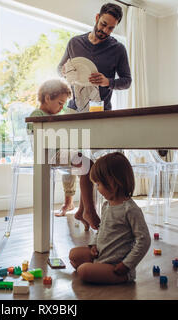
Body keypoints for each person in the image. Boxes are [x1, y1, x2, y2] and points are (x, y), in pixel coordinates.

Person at [56, 3, 132, 229]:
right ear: (97, 17)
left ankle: (87, 209)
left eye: (110, 28)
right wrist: (66, 72)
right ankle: (83, 208)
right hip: (74, 109)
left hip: (100, 111)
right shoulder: (74, 43)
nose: (105, 31)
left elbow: (127, 81)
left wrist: (108, 81)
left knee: (98, 162)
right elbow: (60, 68)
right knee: (77, 156)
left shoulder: (117, 49)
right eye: (103, 24)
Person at [69, 152, 151, 284]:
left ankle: (106, 273)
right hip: (101, 255)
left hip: (116, 266)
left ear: (113, 183)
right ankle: (95, 268)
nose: (97, 189)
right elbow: (101, 229)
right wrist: (93, 245)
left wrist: (126, 265)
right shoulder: (107, 205)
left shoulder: (130, 210)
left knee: (83, 271)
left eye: (98, 184)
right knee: (74, 254)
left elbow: (144, 240)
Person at [27, 79, 96, 231]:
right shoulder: (38, 114)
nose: (62, 107)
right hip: (47, 155)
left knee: (89, 166)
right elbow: (42, 138)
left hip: (60, 153)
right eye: (59, 103)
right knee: (86, 163)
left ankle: (84, 211)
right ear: (47, 98)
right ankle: (87, 211)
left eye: (63, 104)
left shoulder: (55, 115)